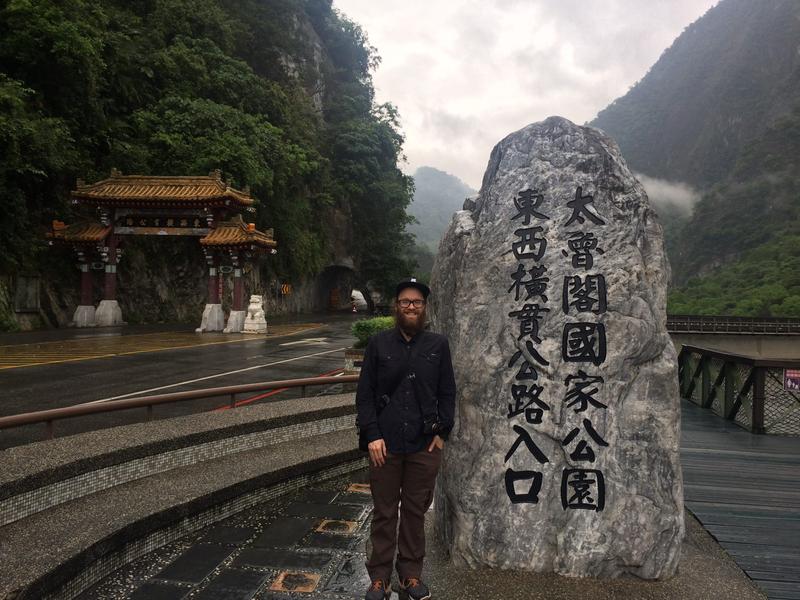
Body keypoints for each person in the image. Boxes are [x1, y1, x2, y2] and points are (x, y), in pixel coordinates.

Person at [356, 279, 456, 600]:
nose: (410, 307)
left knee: (415, 512)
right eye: (405, 302)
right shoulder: (378, 345)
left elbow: (448, 392)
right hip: (384, 445)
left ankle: (411, 575)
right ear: (396, 306)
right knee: (385, 512)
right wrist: (372, 435)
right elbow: (365, 396)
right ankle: (380, 578)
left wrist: (442, 433)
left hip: (423, 445)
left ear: (425, 308)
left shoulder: (437, 346)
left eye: (417, 302)